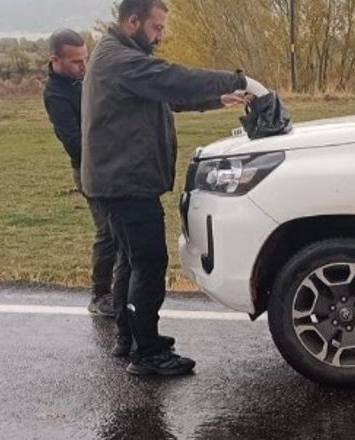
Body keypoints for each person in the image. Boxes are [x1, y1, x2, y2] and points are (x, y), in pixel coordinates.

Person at [81, 0, 269, 375]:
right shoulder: (121, 59)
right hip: (125, 183)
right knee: (148, 263)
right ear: (132, 21)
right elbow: (171, 79)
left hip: (117, 180)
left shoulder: (117, 55)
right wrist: (240, 81)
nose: (160, 35)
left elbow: (165, 94)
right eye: (156, 27)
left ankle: (129, 339)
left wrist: (216, 99)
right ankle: (147, 352)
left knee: (130, 260)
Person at [43, 28, 117, 317]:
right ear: (55, 60)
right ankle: (100, 295)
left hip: (110, 164)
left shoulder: (85, 80)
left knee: (120, 230)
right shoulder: (56, 95)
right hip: (88, 170)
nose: (84, 66)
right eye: (76, 62)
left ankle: (120, 291)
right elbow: (75, 142)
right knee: (108, 232)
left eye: (86, 59)